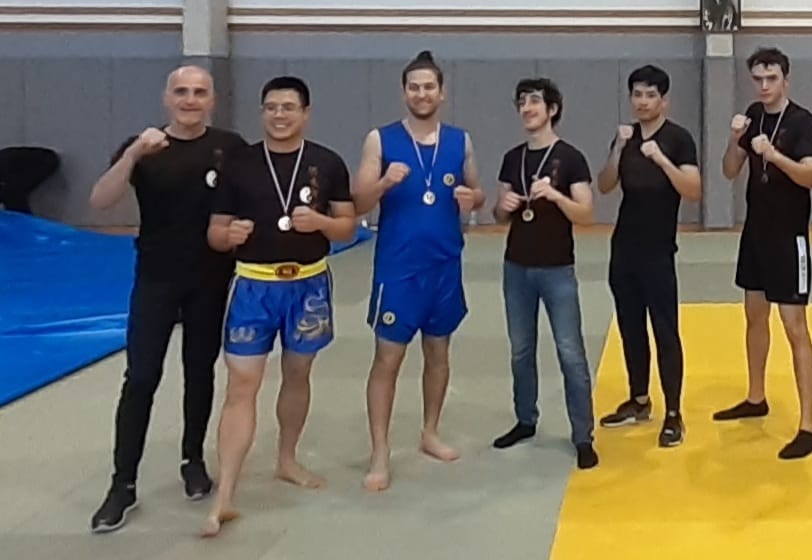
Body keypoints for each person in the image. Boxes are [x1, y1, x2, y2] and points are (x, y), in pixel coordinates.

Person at [87, 65, 246, 534]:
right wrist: (134, 153)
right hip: (156, 279)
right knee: (140, 377)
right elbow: (100, 199)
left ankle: (192, 459)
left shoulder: (231, 147)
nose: (190, 99)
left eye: (199, 92)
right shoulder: (145, 146)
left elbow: (253, 198)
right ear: (166, 97)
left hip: (210, 279)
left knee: (200, 371)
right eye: (181, 91)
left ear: (212, 100)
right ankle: (122, 485)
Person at [200, 76, 356, 536]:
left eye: (288, 107)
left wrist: (322, 221)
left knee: (298, 374)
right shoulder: (240, 163)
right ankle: (225, 495)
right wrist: (227, 236)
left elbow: (347, 226)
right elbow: (215, 232)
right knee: (241, 385)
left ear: (305, 112)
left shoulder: (328, 161)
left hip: (309, 285)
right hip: (254, 285)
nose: (279, 115)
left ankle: (287, 459)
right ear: (262, 112)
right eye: (271, 107)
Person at [353, 51, 485, 491]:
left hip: (445, 264)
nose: (422, 93)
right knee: (387, 359)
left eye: (429, 86)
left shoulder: (461, 141)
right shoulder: (380, 139)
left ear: (442, 93)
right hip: (399, 268)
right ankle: (380, 452)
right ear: (404, 92)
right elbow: (359, 202)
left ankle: (430, 432)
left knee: (439, 354)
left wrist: (473, 199)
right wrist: (384, 182)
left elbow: (477, 192)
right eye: (414, 87)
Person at [714, 47, 812, 460]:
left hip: (789, 236)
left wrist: (774, 155)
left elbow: (810, 176)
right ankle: (756, 396)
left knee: (795, 326)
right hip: (756, 234)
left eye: (771, 78)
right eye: (758, 79)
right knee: (754, 316)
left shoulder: (802, 121)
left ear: (785, 80)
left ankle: (808, 424)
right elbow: (729, 170)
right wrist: (734, 139)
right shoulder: (752, 116)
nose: (764, 86)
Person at [490, 77, 599, 470]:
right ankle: (525, 418)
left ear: (552, 109)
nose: (527, 108)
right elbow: (498, 215)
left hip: (557, 269)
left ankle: (583, 435)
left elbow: (586, 214)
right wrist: (503, 207)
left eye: (534, 101)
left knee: (570, 353)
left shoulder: (570, 157)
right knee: (521, 350)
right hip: (516, 267)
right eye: (522, 102)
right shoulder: (512, 158)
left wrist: (555, 195)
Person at [595, 65, 701, 447]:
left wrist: (661, 160)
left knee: (664, 330)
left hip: (658, 250)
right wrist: (618, 149)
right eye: (637, 95)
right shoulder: (625, 136)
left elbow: (693, 190)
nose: (642, 102)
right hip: (624, 247)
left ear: (664, 101)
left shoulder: (678, 139)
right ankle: (639, 399)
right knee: (630, 326)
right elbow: (605, 185)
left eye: (650, 95)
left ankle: (673, 413)